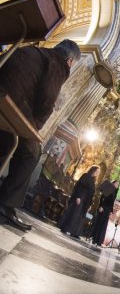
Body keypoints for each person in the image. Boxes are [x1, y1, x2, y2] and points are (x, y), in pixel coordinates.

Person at [0, 39, 81, 231]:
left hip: (3, 99)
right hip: (11, 108)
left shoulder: (33, 50)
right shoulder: (58, 64)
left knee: (5, 142)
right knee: (32, 152)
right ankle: (6, 205)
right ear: (70, 61)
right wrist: (33, 129)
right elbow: (47, 100)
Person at [59, 165, 99, 237]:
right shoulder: (86, 175)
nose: (97, 173)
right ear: (93, 170)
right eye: (97, 171)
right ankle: (65, 228)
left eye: (98, 172)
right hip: (81, 198)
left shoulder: (93, 181)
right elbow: (79, 186)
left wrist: (89, 204)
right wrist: (78, 197)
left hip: (86, 201)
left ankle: (75, 232)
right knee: (74, 214)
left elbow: (91, 194)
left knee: (80, 217)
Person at [91, 179, 119, 246]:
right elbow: (102, 198)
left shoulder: (115, 192)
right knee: (99, 223)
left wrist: (111, 211)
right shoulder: (109, 189)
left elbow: (111, 202)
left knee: (104, 225)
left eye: (118, 185)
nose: (117, 185)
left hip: (108, 210)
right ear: (113, 183)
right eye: (116, 184)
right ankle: (95, 239)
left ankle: (99, 241)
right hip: (103, 208)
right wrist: (101, 206)